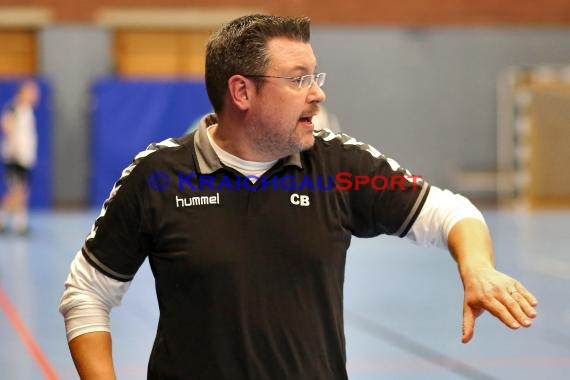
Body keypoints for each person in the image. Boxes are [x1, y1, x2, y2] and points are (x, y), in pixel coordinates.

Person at [59, 15, 538, 380]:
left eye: (315, 77)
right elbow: (86, 292)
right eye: (298, 79)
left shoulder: (339, 167)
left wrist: (476, 266)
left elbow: (450, 211)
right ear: (242, 92)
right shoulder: (158, 177)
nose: (316, 95)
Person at [0, 80, 40, 235]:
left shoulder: (27, 110)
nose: (35, 96)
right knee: (17, 191)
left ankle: (19, 223)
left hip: (25, 158)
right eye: (32, 92)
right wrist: (14, 148)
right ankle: (3, 219)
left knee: (23, 192)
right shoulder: (14, 108)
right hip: (15, 158)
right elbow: (7, 126)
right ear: (23, 92)